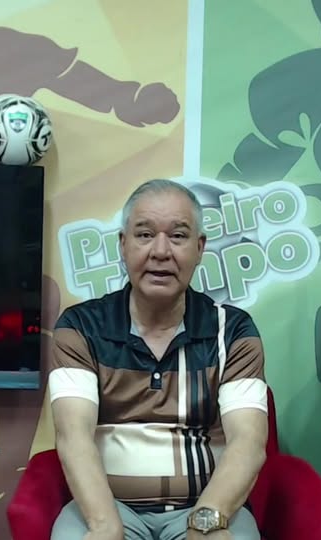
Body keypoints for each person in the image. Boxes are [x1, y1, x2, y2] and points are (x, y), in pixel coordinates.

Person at [47, 179, 268, 540]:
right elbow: (74, 436)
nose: (161, 251)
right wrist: (105, 525)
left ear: (199, 248)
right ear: (123, 245)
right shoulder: (81, 327)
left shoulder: (232, 330)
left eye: (178, 236)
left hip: (203, 504)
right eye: (145, 235)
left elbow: (248, 441)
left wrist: (206, 521)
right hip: (109, 506)